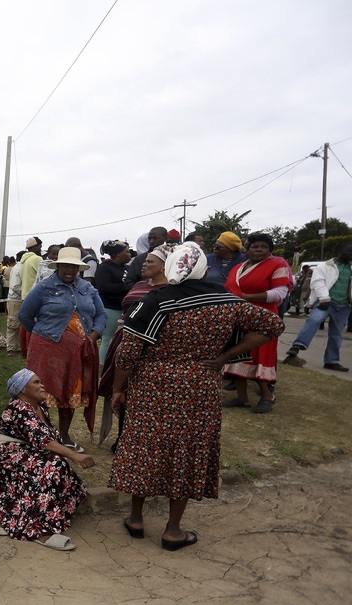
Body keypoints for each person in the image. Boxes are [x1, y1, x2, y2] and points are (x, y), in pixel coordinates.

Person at [109, 242, 284, 551]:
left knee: (146, 447)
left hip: (153, 385)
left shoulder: (157, 301)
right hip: (199, 386)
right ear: (204, 267)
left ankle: (136, 518)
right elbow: (273, 325)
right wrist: (226, 356)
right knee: (187, 452)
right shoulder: (225, 300)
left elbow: (128, 353)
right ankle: (172, 530)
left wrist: (118, 388)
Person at [0, 369, 95, 551]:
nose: (42, 385)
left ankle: (48, 518)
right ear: (22, 389)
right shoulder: (19, 407)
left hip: (24, 451)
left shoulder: (40, 408)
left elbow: (48, 438)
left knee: (58, 463)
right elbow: (43, 440)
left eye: (41, 382)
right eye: (36, 383)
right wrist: (74, 455)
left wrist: (68, 452)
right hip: (6, 457)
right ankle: (39, 530)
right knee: (51, 464)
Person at [18, 247, 107, 452]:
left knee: (70, 394)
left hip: (78, 351)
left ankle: (64, 435)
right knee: (42, 392)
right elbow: (25, 315)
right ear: (57, 266)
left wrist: (93, 335)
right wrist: (43, 336)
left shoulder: (87, 289)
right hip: (47, 350)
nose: (69, 270)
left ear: (79, 268)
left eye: (73, 266)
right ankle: (41, 434)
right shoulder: (44, 288)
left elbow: (101, 315)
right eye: (65, 265)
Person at [97, 243, 172, 446]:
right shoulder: (140, 285)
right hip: (123, 340)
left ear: (164, 266)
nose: (144, 263)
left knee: (138, 393)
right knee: (121, 392)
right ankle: (122, 437)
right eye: (145, 260)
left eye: (150, 261)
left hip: (149, 347)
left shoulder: (171, 290)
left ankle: (135, 437)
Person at [221, 234, 292, 412]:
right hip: (238, 317)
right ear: (247, 249)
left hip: (264, 318)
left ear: (270, 250)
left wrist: (244, 297)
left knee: (259, 356)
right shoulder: (237, 267)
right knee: (236, 353)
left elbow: (279, 293)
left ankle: (268, 395)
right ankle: (242, 398)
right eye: (255, 246)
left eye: (263, 247)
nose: (259, 249)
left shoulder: (278, 265)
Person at [283, 241, 352, 372]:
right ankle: (296, 347)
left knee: (336, 334)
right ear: (340, 251)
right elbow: (317, 282)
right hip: (325, 302)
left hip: (344, 305)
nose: (351, 254)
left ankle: (331, 361)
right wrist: (324, 298)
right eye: (349, 251)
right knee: (314, 320)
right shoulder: (325, 266)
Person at [93, 240, 131, 365]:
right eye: (127, 251)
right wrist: (124, 287)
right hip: (110, 309)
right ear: (119, 254)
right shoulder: (105, 268)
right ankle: (102, 366)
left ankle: (115, 364)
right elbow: (102, 287)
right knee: (107, 339)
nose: (129, 253)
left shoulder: (126, 267)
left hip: (123, 309)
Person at [5, 252, 25, 357]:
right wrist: (27, 293)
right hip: (15, 299)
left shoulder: (21, 268)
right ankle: (11, 348)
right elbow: (15, 286)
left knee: (19, 325)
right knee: (13, 324)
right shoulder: (18, 269)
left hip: (19, 299)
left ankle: (17, 347)